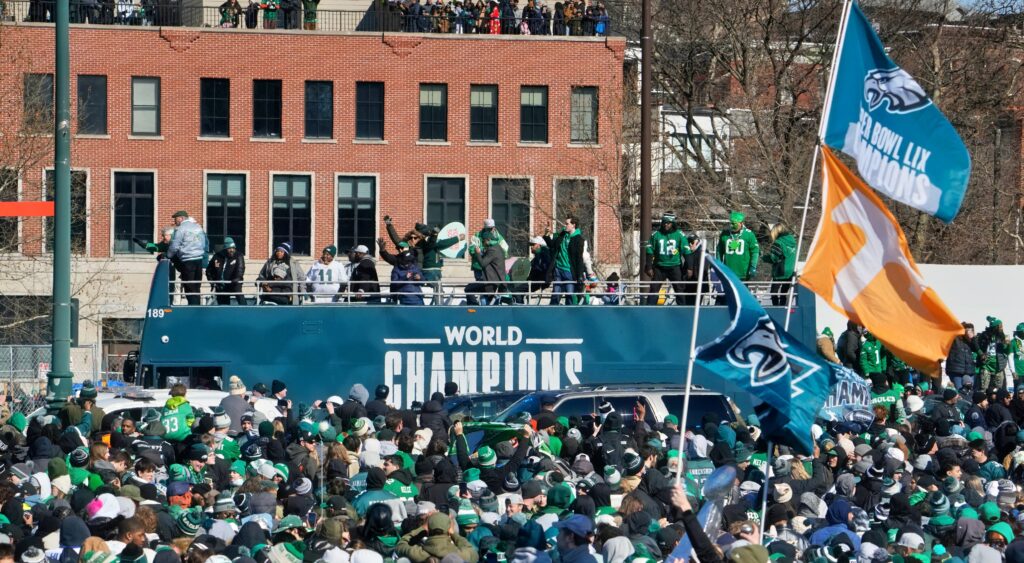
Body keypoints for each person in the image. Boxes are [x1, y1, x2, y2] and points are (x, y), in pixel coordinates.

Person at [644, 212, 690, 306]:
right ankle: (649, 310)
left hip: (675, 266)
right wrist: (648, 266)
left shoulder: (679, 235)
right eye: (664, 222)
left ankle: (683, 310)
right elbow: (649, 250)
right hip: (659, 267)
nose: (666, 225)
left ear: (673, 223)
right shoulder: (656, 235)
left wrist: (689, 267)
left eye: (668, 223)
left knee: (679, 289)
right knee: (654, 289)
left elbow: (686, 250)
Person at [165, 210, 208, 306]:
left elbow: (175, 246)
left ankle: (193, 308)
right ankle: (197, 308)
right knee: (196, 287)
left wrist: (168, 255)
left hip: (187, 260)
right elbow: (204, 243)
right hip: (199, 260)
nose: (175, 221)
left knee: (189, 287)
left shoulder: (181, 229)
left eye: (175, 219)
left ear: (181, 218)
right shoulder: (198, 227)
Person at [546, 216, 586, 305]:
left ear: (573, 225)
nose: (565, 225)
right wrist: (547, 234)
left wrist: (579, 275)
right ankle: (553, 313)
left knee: (570, 295)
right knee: (556, 294)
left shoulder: (579, 239)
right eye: (565, 223)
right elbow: (552, 245)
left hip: (569, 271)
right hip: (558, 269)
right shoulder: (563, 234)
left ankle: (570, 314)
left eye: (567, 224)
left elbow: (579, 259)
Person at [716, 210, 759, 281]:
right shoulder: (725, 234)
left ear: (741, 223)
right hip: (728, 272)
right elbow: (719, 251)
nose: (731, 226)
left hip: (743, 273)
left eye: (734, 224)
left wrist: (753, 266)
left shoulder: (749, 234)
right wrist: (719, 265)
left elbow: (755, 251)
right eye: (730, 223)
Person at [465, 230, 505, 305]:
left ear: (488, 240)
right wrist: (481, 252)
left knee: (468, 289)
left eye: (483, 241)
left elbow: (483, 263)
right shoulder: (497, 247)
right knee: (487, 299)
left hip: (491, 282)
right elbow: (488, 259)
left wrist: (478, 253)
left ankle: (474, 308)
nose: (483, 243)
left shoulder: (492, 250)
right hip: (495, 280)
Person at [762, 223, 796, 306]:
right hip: (790, 271)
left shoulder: (778, 243)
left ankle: (776, 309)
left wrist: (763, 257)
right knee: (784, 293)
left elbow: (774, 258)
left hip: (780, 271)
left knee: (773, 293)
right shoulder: (793, 241)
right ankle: (783, 309)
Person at [205, 237, 245, 305]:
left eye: (233, 248)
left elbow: (240, 269)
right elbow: (209, 270)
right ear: (225, 249)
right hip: (221, 285)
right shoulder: (217, 256)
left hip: (234, 283)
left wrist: (237, 278)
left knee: (239, 294)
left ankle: (245, 310)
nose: (232, 250)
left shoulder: (238, 255)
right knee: (223, 305)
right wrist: (212, 282)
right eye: (229, 248)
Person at [975, 316, 1010, 392]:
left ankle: (997, 403)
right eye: (1000, 326)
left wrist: (1008, 345)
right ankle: (983, 402)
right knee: (983, 388)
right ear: (995, 327)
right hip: (986, 365)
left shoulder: (1002, 337)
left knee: (998, 390)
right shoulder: (984, 335)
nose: (1002, 328)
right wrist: (981, 354)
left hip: (998, 367)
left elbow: (1007, 352)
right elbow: (975, 344)